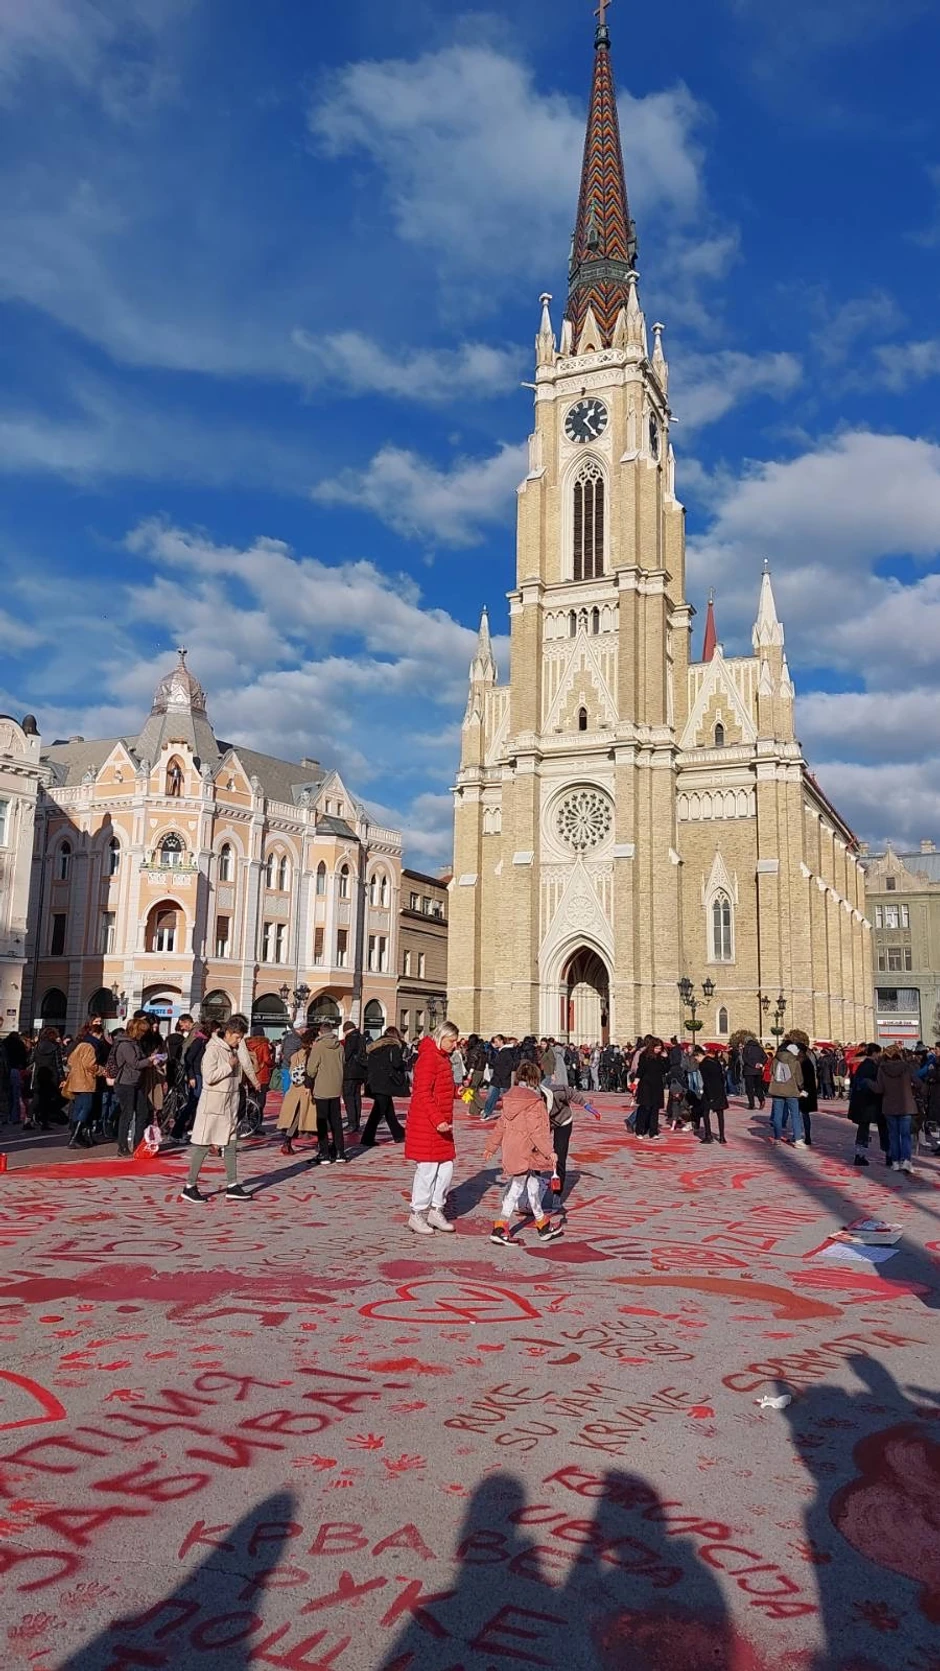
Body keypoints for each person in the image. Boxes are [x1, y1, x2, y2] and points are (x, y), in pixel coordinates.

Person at [180, 1014, 258, 1203]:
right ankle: (190, 1186)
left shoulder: (233, 1049)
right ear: (229, 1033)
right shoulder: (213, 1050)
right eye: (237, 1037)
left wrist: (250, 1080)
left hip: (229, 1104)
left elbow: (241, 1068)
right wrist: (228, 1066)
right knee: (203, 1146)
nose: (239, 1041)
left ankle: (233, 1185)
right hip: (213, 1106)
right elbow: (209, 1077)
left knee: (231, 1145)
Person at [484, 1061, 562, 1245]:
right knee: (517, 1188)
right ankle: (500, 1227)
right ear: (536, 1079)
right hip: (527, 1149)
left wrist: (491, 1146)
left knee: (532, 1184)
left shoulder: (510, 1099)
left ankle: (542, 1224)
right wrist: (549, 1151)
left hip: (512, 1147)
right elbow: (537, 1131)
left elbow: (501, 1125)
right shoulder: (534, 1102)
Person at [405, 1021, 460, 1234]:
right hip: (427, 1123)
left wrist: (458, 1091)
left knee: (446, 1168)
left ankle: (436, 1209)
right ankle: (416, 1213)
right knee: (427, 1170)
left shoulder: (442, 1058)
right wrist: (437, 1120)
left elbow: (441, 1088)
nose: (454, 1045)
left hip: (442, 1124)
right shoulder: (428, 1058)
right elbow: (422, 1093)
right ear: (441, 1037)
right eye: (451, 1041)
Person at [110, 1017, 155, 1155]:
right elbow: (134, 1064)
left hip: (136, 1082)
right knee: (127, 1114)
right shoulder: (125, 1045)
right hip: (125, 1083)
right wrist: (149, 1060)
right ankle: (122, 1146)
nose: (144, 1034)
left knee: (143, 1112)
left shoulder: (135, 1043)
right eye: (142, 1031)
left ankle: (138, 1144)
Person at [305, 1022, 347, 1165]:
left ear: (320, 1033)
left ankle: (324, 1153)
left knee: (322, 1121)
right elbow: (343, 1064)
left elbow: (311, 1068)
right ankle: (340, 1152)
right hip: (336, 1088)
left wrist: (310, 1079)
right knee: (336, 1121)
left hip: (322, 1088)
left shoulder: (319, 1046)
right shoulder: (340, 1046)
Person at [360, 1027, 408, 1146]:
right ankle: (367, 1138)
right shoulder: (394, 1046)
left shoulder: (374, 1047)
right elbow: (396, 1064)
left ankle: (399, 1134)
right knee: (377, 1112)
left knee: (388, 1110)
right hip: (386, 1082)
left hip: (374, 1082)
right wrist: (404, 1063)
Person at [874, 1044, 917, 1174]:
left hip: (889, 1106)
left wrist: (868, 1083)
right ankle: (906, 1161)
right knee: (905, 1135)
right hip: (906, 1105)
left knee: (893, 1135)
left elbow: (879, 1089)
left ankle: (895, 1162)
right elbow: (918, 1083)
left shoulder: (882, 1069)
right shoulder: (906, 1067)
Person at [277, 1028, 316, 1154]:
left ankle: (287, 1141)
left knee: (295, 1116)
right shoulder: (311, 1055)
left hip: (295, 1089)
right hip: (307, 1090)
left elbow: (291, 1070)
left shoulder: (296, 1055)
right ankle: (322, 1144)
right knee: (309, 1117)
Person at [62, 1024, 102, 1147]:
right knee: (86, 1108)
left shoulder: (79, 1045)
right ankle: (75, 1137)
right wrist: (102, 1070)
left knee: (78, 1108)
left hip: (76, 1081)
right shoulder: (90, 1046)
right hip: (85, 1082)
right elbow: (90, 1065)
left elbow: (70, 1061)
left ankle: (75, 1135)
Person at [848, 1043, 886, 1166]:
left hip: (861, 1103)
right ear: (875, 1053)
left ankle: (860, 1154)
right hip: (871, 1103)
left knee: (863, 1129)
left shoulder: (863, 1066)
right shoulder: (873, 1067)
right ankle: (888, 1154)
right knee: (882, 1128)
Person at [768, 1041, 806, 1147]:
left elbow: (772, 1072)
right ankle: (798, 1139)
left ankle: (777, 1138)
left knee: (777, 1115)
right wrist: (801, 1087)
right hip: (791, 1090)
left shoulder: (775, 1059)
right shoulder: (795, 1061)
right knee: (795, 1115)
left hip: (777, 1089)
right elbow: (799, 1079)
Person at [30, 1026, 67, 1130]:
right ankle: (44, 1122)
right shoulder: (55, 1047)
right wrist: (62, 1078)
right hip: (52, 1076)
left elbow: (31, 1059)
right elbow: (58, 1064)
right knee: (48, 1099)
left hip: (39, 1074)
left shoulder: (37, 1046)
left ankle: (28, 1120)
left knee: (37, 1099)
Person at [633, 1039, 667, 1140]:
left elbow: (665, 1069)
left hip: (657, 1085)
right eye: (656, 1048)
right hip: (646, 1084)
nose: (658, 1050)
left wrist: (665, 1058)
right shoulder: (644, 1056)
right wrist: (636, 1082)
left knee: (655, 1109)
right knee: (644, 1107)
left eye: (660, 1048)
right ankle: (640, 1130)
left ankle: (653, 1132)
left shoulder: (660, 1057)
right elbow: (641, 1069)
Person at [694, 1046, 728, 1144]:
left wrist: (709, 1095)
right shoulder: (715, 1061)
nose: (696, 1061)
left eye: (696, 1058)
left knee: (705, 1112)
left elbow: (706, 1081)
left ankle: (708, 1136)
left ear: (699, 1055)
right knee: (720, 1114)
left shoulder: (703, 1065)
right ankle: (722, 1137)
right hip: (720, 1090)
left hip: (710, 1091)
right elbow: (722, 1077)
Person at [481, 1035, 516, 1119]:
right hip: (497, 1078)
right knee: (492, 1096)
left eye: (497, 1042)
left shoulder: (507, 1051)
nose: (495, 1043)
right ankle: (486, 1112)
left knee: (506, 1098)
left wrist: (504, 1075)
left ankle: (510, 1114)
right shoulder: (500, 1051)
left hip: (503, 1079)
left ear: (501, 1041)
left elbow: (510, 1065)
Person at [342, 1020, 367, 1134]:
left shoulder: (350, 1038)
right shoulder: (361, 1037)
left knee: (349, 1097)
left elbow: (346, 1055)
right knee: (357, 1097)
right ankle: (356, 1122)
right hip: (360, 1071)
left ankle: (352, 1123)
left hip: (350, 1073)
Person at [245, 1024, 275, 1116]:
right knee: (261, 1099)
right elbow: (267, 1060)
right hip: (262, 1075)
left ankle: (250, 1120)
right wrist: (272, 1064)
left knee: (251, 1097)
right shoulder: (263, 1045)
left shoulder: (247, 1044)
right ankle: (257, 1121)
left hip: (250, 1075)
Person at [2, 1029, 29, 1126]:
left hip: (4, 1072)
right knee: (15, 1095)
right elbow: (24, 1058)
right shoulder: (19, 1044)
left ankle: (4, 1117)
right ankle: (14, 1117)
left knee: (5, 1095)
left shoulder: (4, 1043)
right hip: (15, 1070)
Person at [797, 1045, 818, 1146]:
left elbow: (808, 1080)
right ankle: (803, 1136)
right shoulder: (804, 1062)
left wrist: (803, 1092)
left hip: (805, 1092)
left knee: (802, 1114)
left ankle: (806, 1136)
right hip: (805, 1091)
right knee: (802, 1114)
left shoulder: (805, 1063)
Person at [742, 1037, 767, 1110]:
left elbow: (745, 1059)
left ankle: (751, 1104)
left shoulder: (746, 1048)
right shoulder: (759, 1048)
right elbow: (765, 1057)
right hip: (758, 1071)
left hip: (749, 1071)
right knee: (758, 1087)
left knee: (749, 1089)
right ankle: (761, 1100)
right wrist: (760, 1064)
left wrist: (753, 1065)